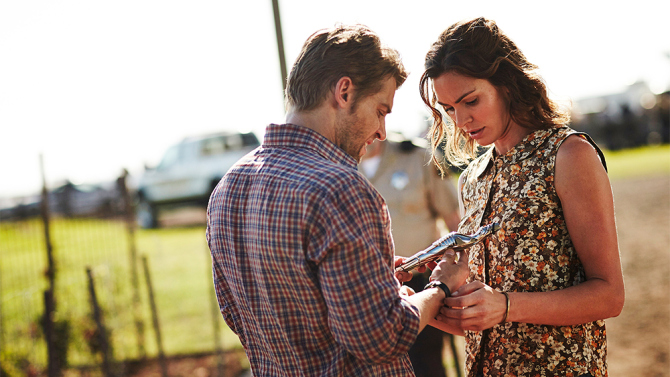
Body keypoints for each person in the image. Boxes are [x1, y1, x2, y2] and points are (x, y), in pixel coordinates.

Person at [207, 24, 470, 377]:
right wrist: (440, 287)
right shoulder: (340, 188)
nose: (381, 131)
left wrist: (366, 280)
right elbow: (382, 338)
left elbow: (238, 314)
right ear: (344, 92)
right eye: (380, 110)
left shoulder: (228, 189)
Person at [418, 17, 625, 377]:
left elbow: (609, 295)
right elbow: (480, 323)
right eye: (449, 109)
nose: (461, 120)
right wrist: (418, 298)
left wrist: (506, 306)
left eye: (470, 101)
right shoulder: (472, 178)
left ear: (507, 85)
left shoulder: (568, 154)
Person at [360, 137, 461, 377]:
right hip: (368, 287)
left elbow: (453, 220)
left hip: (419, 281)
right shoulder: (339, 166)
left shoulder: (419, 158)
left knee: (426, 363)